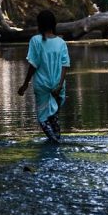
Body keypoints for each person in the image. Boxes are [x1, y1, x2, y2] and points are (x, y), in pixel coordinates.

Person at [18, 9, 70, 142]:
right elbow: (65, 66)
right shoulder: (61, 42)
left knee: (43, 118)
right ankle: (57, 141)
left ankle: (54, 141)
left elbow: (33, 65)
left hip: (42, 85)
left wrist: (25, 84)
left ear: (39, 24)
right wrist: (59, 86)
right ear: (54, 24)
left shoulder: (35, 41)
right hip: (58, 85)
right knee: (54, 116)